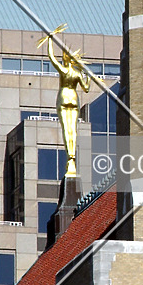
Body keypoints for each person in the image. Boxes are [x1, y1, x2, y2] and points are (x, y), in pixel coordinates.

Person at [38, 24, 90, 177]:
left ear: (65, 59)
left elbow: (51, 57)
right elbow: (86, 88)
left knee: (66, 129)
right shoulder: (77, 72)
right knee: (73, 129)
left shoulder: (64, 70)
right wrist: (89, 78)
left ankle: (70, 160)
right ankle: (72, 158)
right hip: (74, 98)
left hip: (63, 97)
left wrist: (49, 40)